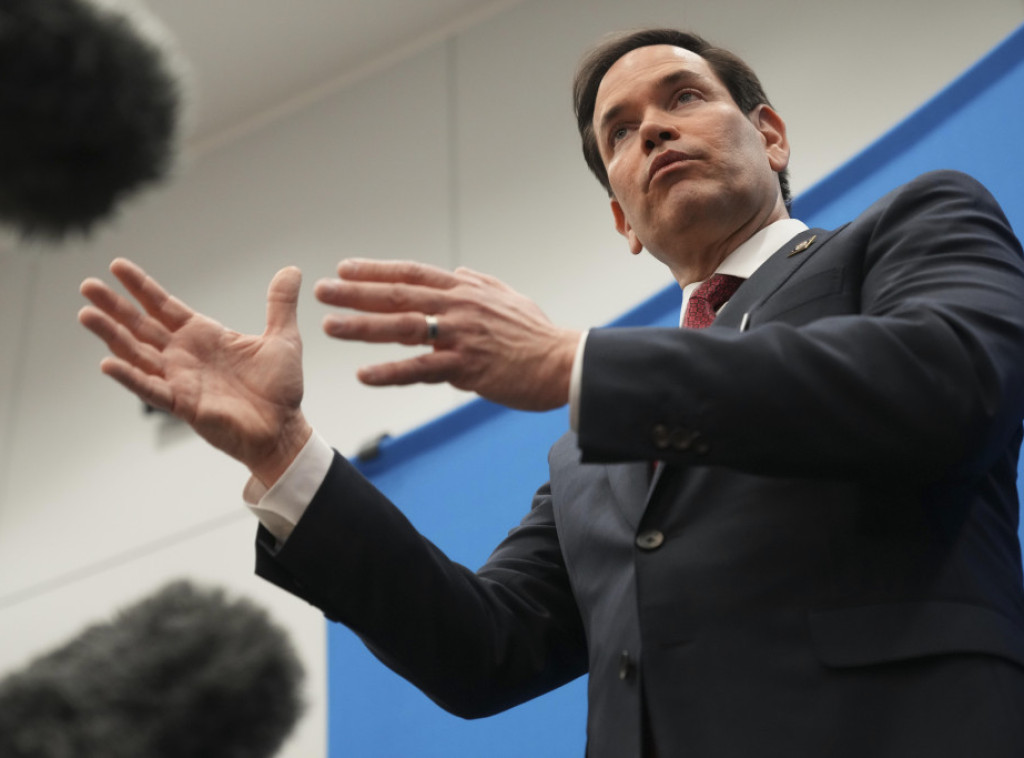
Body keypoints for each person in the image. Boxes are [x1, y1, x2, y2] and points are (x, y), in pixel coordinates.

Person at [79, 28, 1024, 758]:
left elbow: (954, 383)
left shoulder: (912, 224)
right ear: (622, 220)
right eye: (620, 132)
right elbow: (484, 650)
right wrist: (282, 454)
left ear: (770, 136)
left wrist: (579, 364)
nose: (652, 128)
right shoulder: (589, 448)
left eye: (684, 97)